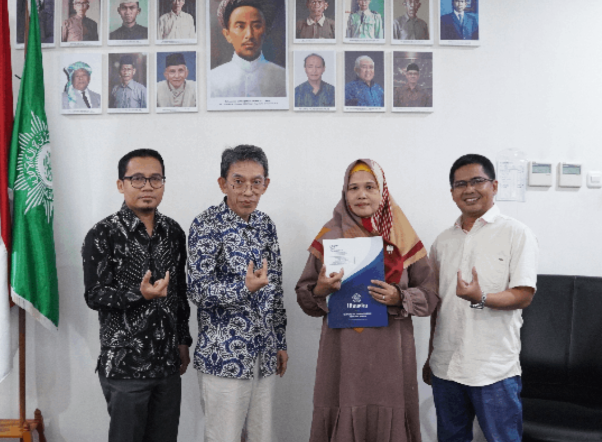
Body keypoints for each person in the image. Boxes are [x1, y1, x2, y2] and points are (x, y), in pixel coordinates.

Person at [296, 159, 439, 442]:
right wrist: (321, 289)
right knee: (343, 403)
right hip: (343, 353)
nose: (361, 194)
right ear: (344, 192)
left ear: (382, 192)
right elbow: (305, 296)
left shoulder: (403, 236)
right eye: (354, 188)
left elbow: (430, 296)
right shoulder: (330, 236)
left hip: (390, 351)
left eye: (370, 187)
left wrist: (400, 296)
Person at [423, 154, 538, 442]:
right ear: (452, 193)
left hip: (494, 369)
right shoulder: (442, 242)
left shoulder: (517, 233)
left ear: (494, 186)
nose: (469, 189)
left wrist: (481, 297)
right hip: (446, 365)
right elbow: (438, 305)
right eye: (460, 184)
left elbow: (524, 295)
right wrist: (430, 355)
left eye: (477, 181)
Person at [82, 149, 192, 442]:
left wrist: (183, 341)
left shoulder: (173, 232)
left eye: (155, 179)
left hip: (167, 364)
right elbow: (94, 295)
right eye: (138, 179)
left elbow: (179, 292)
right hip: (125, 366)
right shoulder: (103, 233)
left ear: (163, 183)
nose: (147, 186)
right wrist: (139, 294)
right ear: (121, 184)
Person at [187, 145, 288, 442]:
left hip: (264, 354)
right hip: (224, 357)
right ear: (223, 183)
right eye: (238, 182)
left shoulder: (265, 225)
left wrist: (280, 341)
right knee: (223, 437)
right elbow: (197, 289)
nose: (248, 191)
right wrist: (244, 288)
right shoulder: (206, 224)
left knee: (261, 436)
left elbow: (275, 288)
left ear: (265, 185)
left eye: (256, 182)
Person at [209, 0, 286, 98]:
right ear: (227, 34)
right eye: (240, 26)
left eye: (256, 26)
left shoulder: (283, 77)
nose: (249, 35)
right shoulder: (212, 80)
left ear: (266, 32)